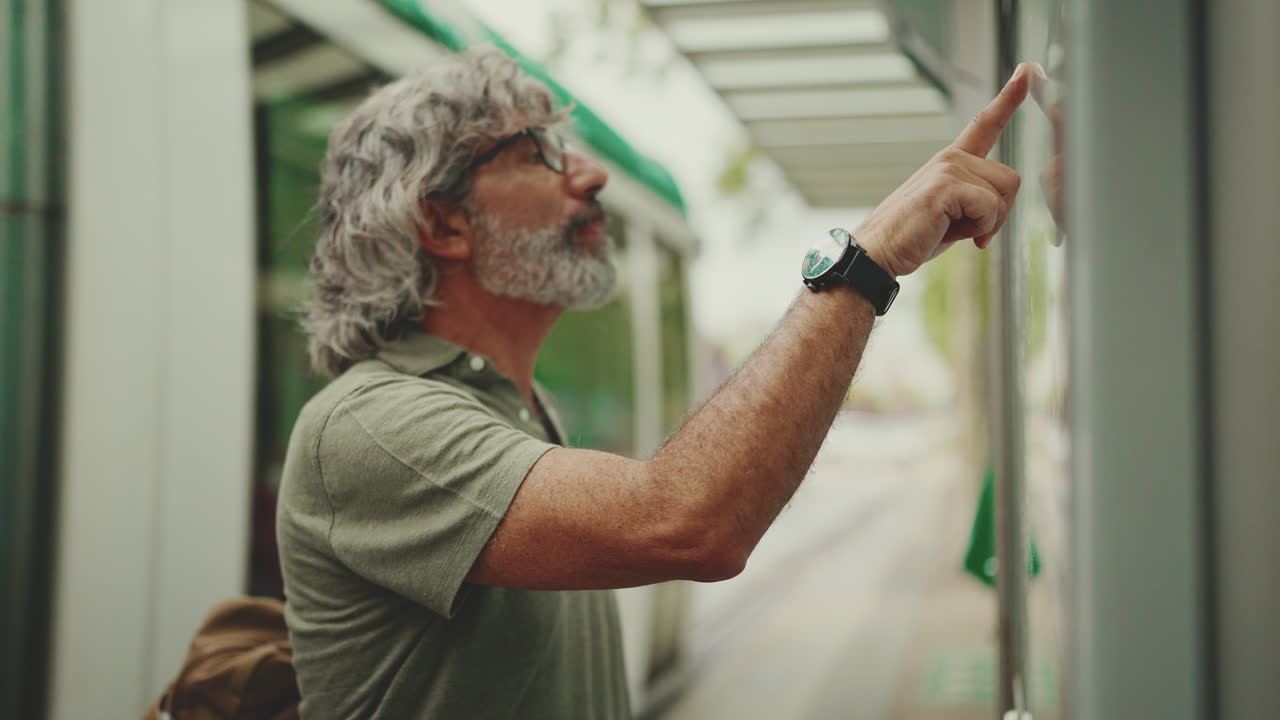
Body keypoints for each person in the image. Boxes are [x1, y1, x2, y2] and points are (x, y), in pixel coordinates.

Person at [276, 46, 1029, 720]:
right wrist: (864, 261)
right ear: (443, 226)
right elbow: (687, 522)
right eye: (539, 151)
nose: (592, 174)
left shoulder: (515, 408)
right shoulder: (373, 425)